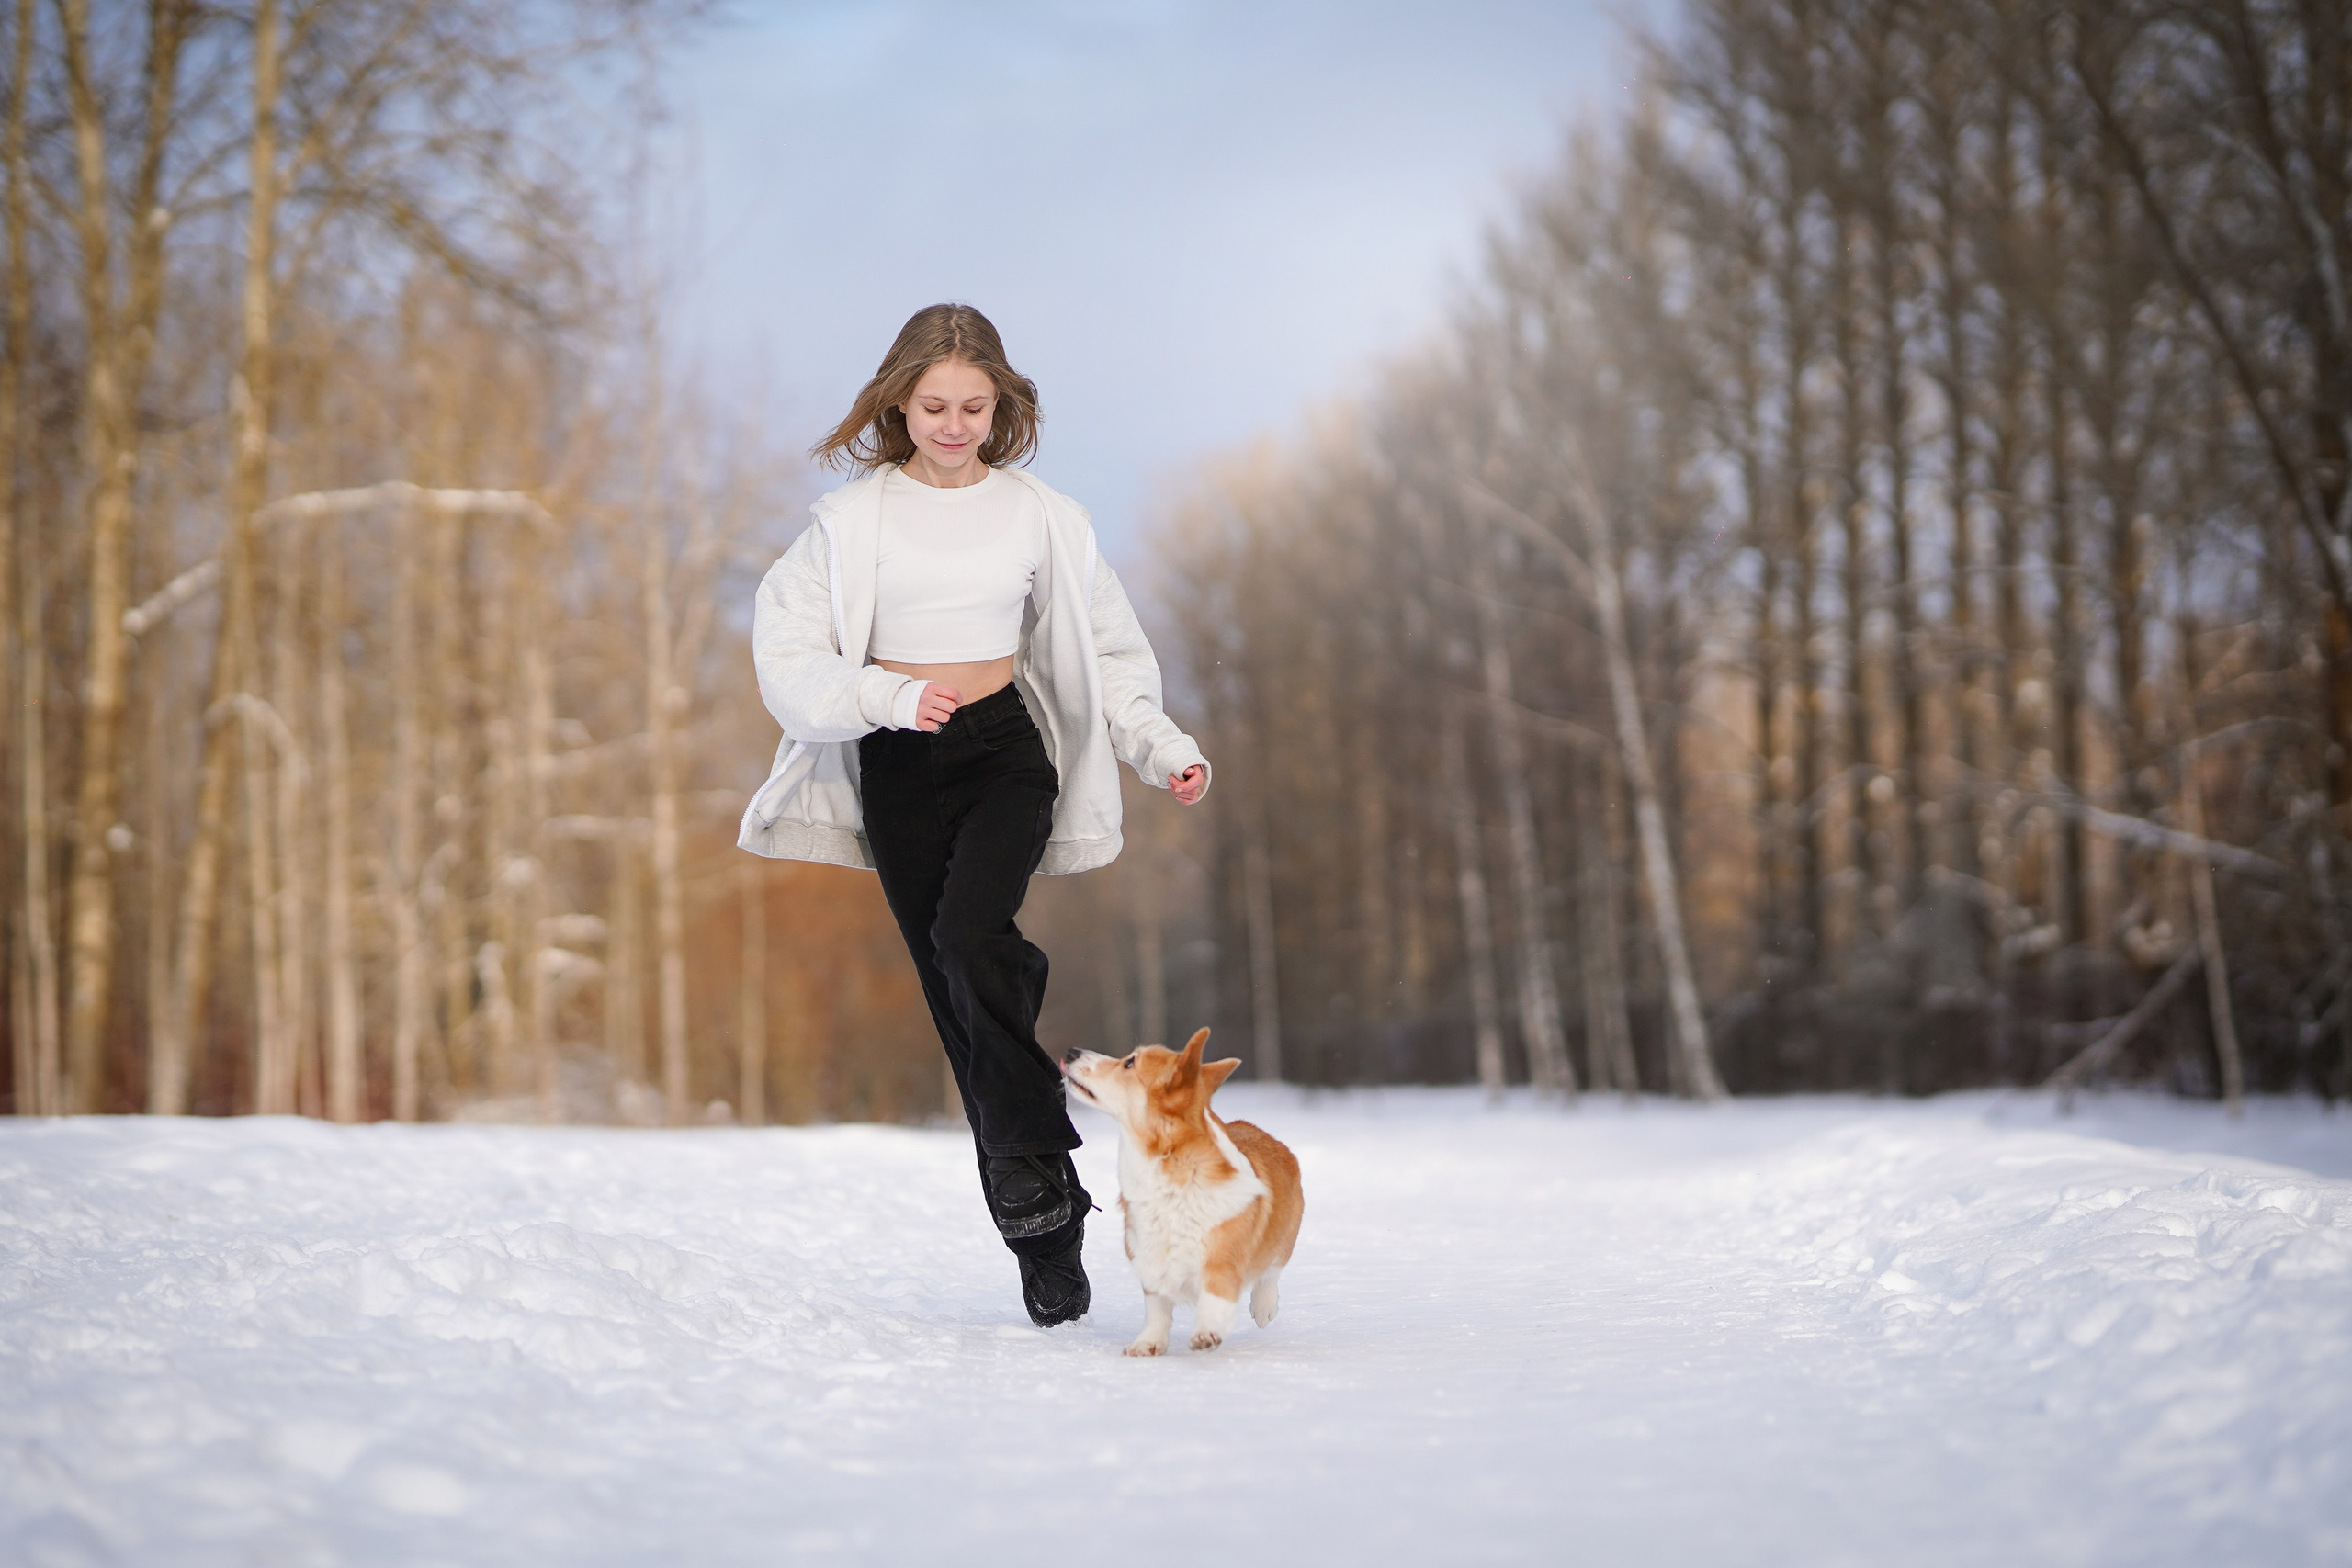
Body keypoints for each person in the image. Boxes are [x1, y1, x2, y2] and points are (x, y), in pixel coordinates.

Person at [738, 303, 1211, 1326]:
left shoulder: (1044, 516)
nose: (953, 425)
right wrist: (884, 697)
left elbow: (1108, 649)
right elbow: (788, 655)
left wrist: (1161, 747)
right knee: (961, 999)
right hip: (898, 760)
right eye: (933, 406)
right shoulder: (849, 523)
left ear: (1001, 408)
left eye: (973, 406)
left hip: (1004, 750)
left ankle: (1039, 1204)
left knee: (968, 938)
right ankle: (1042, 1219)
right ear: (897, 405)